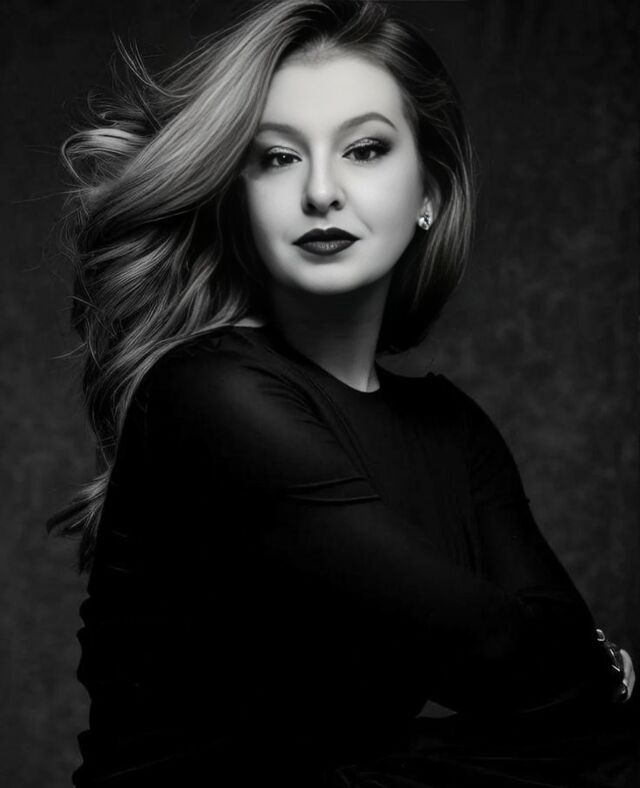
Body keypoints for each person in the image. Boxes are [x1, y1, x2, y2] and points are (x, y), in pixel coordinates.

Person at [47, 0, 638, 785]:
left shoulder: (451, 427)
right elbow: (502, 659)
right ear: (236, 198)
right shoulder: (210, 394)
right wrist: (595, 674)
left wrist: (579, 680)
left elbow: (552, 666)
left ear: (429, 192)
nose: (321, 191)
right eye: (277, 157)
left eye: (364, 149)